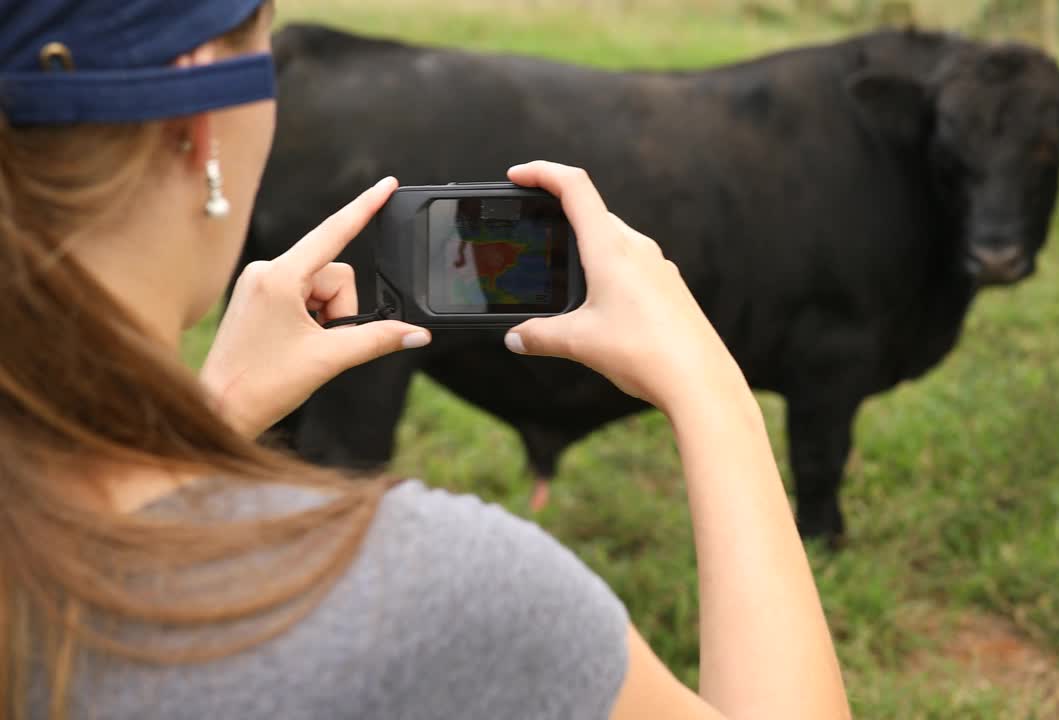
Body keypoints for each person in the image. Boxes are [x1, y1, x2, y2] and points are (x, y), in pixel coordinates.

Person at [0, 1, 850, 718]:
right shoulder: (439, 593)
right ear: (199, 117)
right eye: (264, 46)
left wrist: (212, 419)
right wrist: (714, 391)